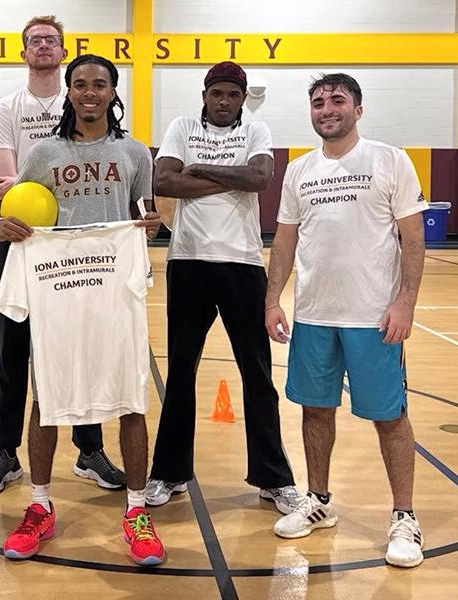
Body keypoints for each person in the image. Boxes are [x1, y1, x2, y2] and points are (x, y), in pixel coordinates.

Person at [0, 54, 166, 566]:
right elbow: (20, 213)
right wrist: (3, 227)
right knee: (47, 394)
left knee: (131, 398)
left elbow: (143, 215)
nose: (90, 92)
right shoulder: (43, 153)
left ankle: (136, 511)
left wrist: (150, 228)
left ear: (114, 93)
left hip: (114, 289)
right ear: (68, 92)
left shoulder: (136, 153)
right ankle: (40, 505)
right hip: (58, 290)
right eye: (80, 84)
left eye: (100, 84)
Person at [265, 73, 427, 568]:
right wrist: (273, 299)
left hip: (373, 318)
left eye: (337, 100)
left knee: (389, 417)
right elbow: (286, 241)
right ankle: (319, 501)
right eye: (318, 102)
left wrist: (405, 302)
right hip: (314, 315)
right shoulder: (298, 170)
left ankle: (404, 517)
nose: (326, 108)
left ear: (358, 109)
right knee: (315, 412)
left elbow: (413, 237)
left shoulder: (389, 159)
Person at [0, 15, 124, 496]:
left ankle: (89, 450)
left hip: (78, 248)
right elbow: (5, 180)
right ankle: (6, 453)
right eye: (34, 40)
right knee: (13, 354)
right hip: (22, 241)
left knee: (83, 351)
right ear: (24, 53)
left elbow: (94, 166)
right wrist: (21, 194)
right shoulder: (6, 107)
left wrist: (27, 183)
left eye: (51, 40)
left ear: (63, 51)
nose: (42, 46)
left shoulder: (81, 95)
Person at [147, 61, 300, 513]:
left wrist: (198, 172)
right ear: (206, 94)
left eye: (233, 94)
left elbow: (260, 178)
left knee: (257, 374)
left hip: (243, 264)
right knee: (180, 373)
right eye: (217, 93)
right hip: (189, 262)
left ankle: (274, 478)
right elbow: (163, 181)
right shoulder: (180, 126)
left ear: (242, 98)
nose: (224, 101)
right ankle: (169, 472)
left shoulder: (256, 128)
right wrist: (225, 177)